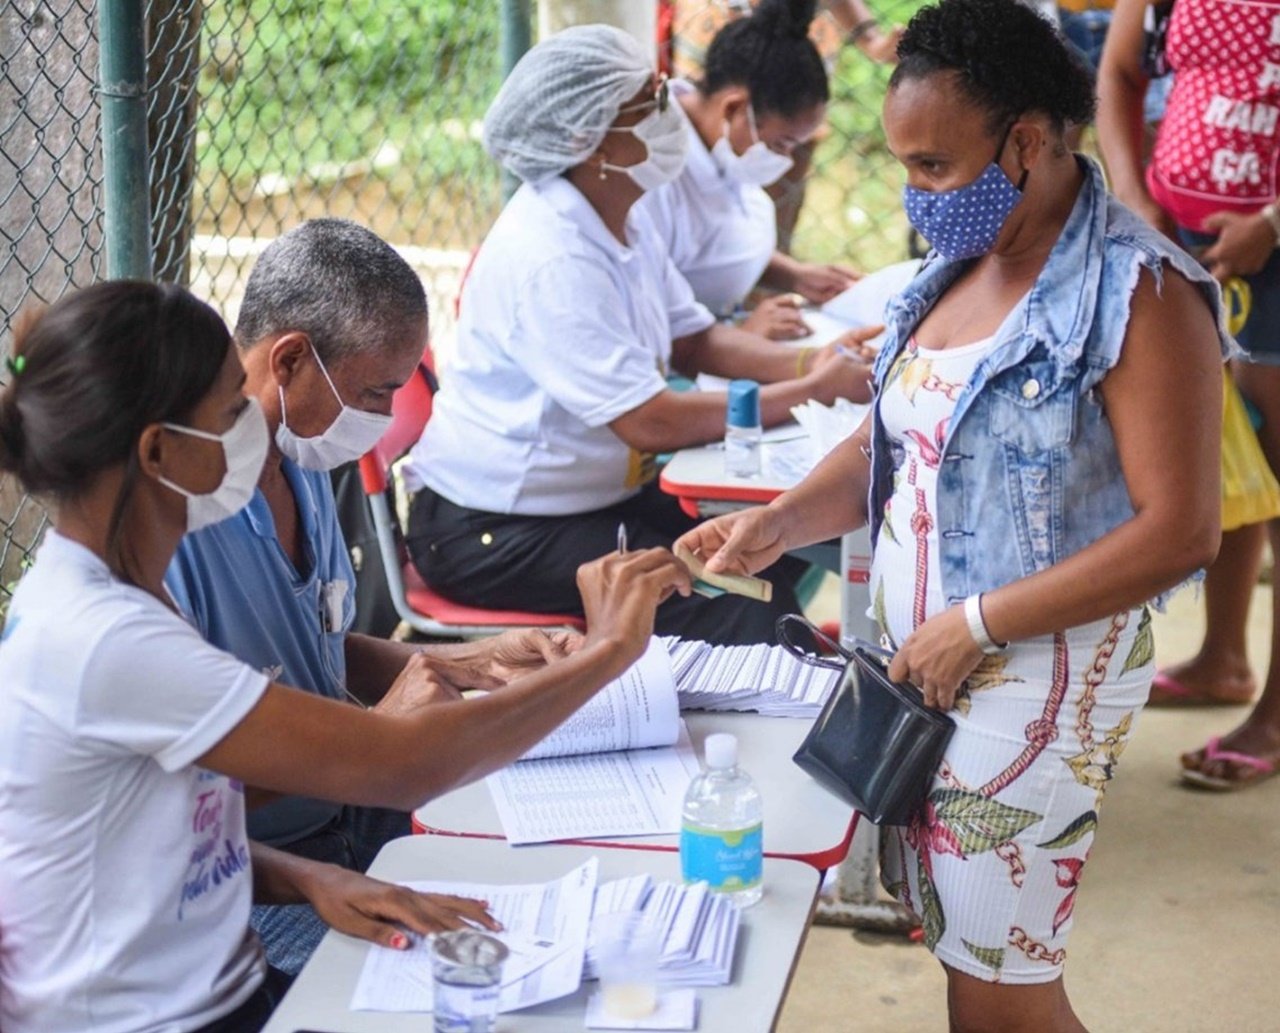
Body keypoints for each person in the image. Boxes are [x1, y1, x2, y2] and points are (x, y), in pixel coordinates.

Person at [677, 0, 1226, 1026]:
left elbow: (1179, 530)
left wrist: (972, 626)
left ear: (1024, 141)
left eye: (932, 166)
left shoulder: (1137, 294)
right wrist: (779, 520)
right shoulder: (954, 271)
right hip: (922, 669)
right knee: (969, 968)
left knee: (1001, 995)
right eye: (903, 166)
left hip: (1034, 681)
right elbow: (897, 441)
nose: (913, 194)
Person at [0, 280, 689, 1032]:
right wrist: (607, 652)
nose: (251, 430)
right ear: (160, 450)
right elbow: (399, 762)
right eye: (231, 412)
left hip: (218, 982)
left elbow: (159, 824)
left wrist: (309, 878)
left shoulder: (119, 594)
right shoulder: (105, 637)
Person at [161, 218, 580, 974]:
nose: (386, 419)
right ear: (290, 359)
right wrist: (372, 741)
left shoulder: (303, 463)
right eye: (374, 391)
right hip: (253, 875)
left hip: (350, 820)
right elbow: (172, 804)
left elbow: (319, 649)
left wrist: (466, 661)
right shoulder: (175, 529)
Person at [404, 25, 874, 647]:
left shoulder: (620, 214)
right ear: (589, 142)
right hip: (497, 530)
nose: (671, 112)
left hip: (588, 501)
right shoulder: (554, 255)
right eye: (648, 105)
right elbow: (650, 421)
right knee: (745, 606)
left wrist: (814, 358)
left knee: (771, 545)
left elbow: (696, 341)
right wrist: (811, 387)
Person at [1098, 0, 1280, 788]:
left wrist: (1272, 220)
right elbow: (1117, 68)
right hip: (1183, 236)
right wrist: (1136, 201)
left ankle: (1277, 712)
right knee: (1225, 448)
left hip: (1269, 247)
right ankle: (1223, 658)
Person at [643, 0, 865, 341]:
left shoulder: (722, 145)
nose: (787, 161)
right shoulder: (652, 175)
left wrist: (793, 276)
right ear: (734, 108)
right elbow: (637, 316)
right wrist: (742, 335)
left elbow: (710, 246)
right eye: (781, 144)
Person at [666, 0, 904, 253]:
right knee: (698, 163)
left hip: (792, 40)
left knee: (775, 156)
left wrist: (871, 39)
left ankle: (764, 265)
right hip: (721, 29)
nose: (786, 159)